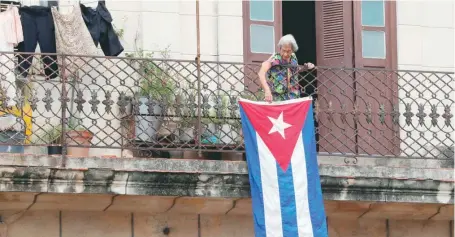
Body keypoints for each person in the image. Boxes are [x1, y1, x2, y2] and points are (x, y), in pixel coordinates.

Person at [257, 34, 315, 102]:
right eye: (283, 50)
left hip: (293, 97)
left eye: (288, 51)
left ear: (293, 50)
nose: (285, 54)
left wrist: (305, 67)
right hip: (278, 98)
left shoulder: (293, 57)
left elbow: (295, 70)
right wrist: (267, 90)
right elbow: (261, 73)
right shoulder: (275, 58)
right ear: (280, 48)